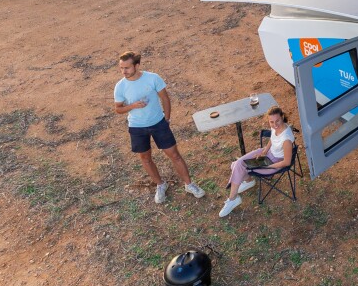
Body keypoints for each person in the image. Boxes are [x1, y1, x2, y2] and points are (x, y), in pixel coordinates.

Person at [112, 50, 205, 204]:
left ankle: (189, 185)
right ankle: (160, 185)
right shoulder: (120, 86)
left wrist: (166, 119)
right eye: (121, 68)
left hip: (158, 123)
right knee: (145, 158)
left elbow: (165, 99)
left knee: (174, 155)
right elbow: (118, 109)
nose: (124, 71)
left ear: (137, 65)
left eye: (127, 68)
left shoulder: (152, 78)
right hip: (137, 127)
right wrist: (133, 106)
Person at [218, 106, 293, 217]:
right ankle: (247, 182)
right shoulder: (275, 127)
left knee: (239, 166)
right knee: (237, 164)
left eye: (277, 120)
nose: (275, 124)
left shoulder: (286, 138)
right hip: (267, 154)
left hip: (276, 163)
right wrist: (264, 151)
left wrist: (269, 167)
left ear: (282, 117)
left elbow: (287, 162)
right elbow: (272, 139)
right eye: (271, 122)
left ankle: (233, 198)